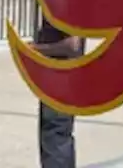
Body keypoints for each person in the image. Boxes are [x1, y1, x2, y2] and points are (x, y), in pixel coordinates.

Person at [34, 14, 85, 168]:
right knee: (55, 133)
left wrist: (36, 49)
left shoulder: (64, 0)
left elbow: (72, 45)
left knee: (55, 132)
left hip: (60, 77)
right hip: (59, 77)